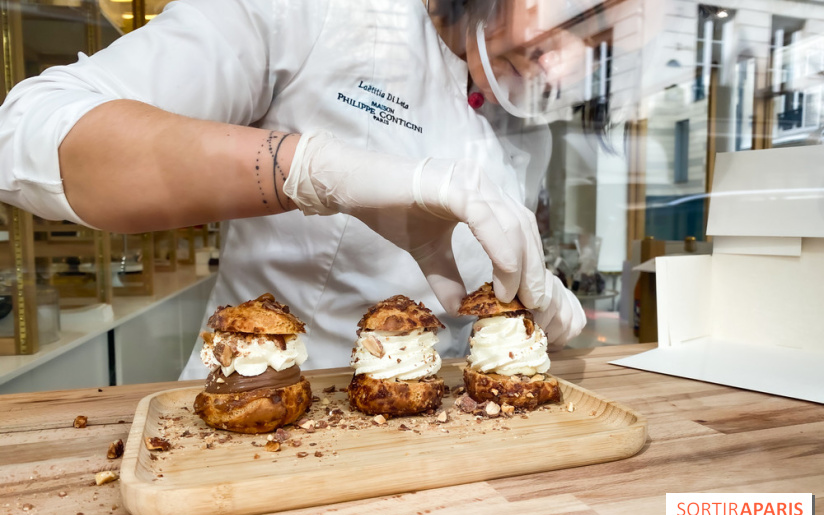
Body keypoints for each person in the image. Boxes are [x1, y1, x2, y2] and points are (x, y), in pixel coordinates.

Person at [0, 0, 586, 378]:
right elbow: (28, 133)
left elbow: (469, 284)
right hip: (270, 412)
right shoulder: (318, 12)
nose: (566, 67)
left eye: (603, 43)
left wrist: (530, 312)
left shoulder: (529, 131)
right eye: (574, 16)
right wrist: (309, 169)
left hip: (438, 440)